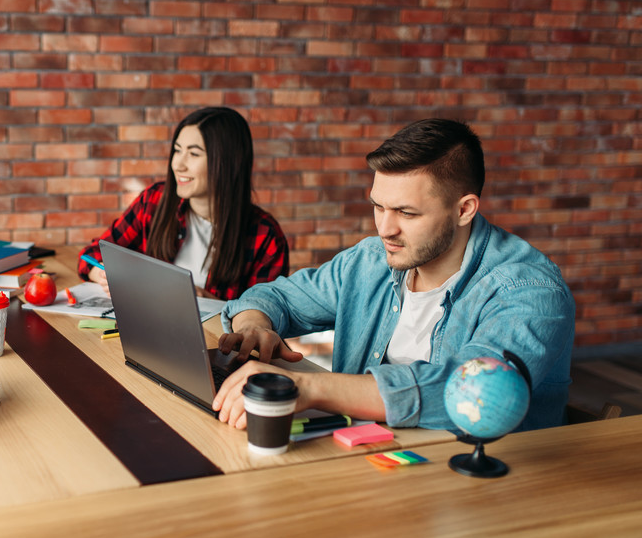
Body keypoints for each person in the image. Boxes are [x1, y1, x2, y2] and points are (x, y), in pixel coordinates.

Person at [214, 118, 575, 433]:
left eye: (406, 213)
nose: (385, 229)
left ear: (464, 210)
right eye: (378, 206)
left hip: (483, 485)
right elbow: (276, 298)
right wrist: (253, 325)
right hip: (372, 458)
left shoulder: (529, 290)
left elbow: (467, 388)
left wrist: (311, 388)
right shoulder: (371, 259)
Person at [77, 107, 289, 301]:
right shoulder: (155, 200)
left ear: (228, 163)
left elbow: (265, 318)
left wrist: (204, 299)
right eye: (177, 150)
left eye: (194, 154)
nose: (177, 164)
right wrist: (103, 273)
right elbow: (91, 254)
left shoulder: (266, 236)